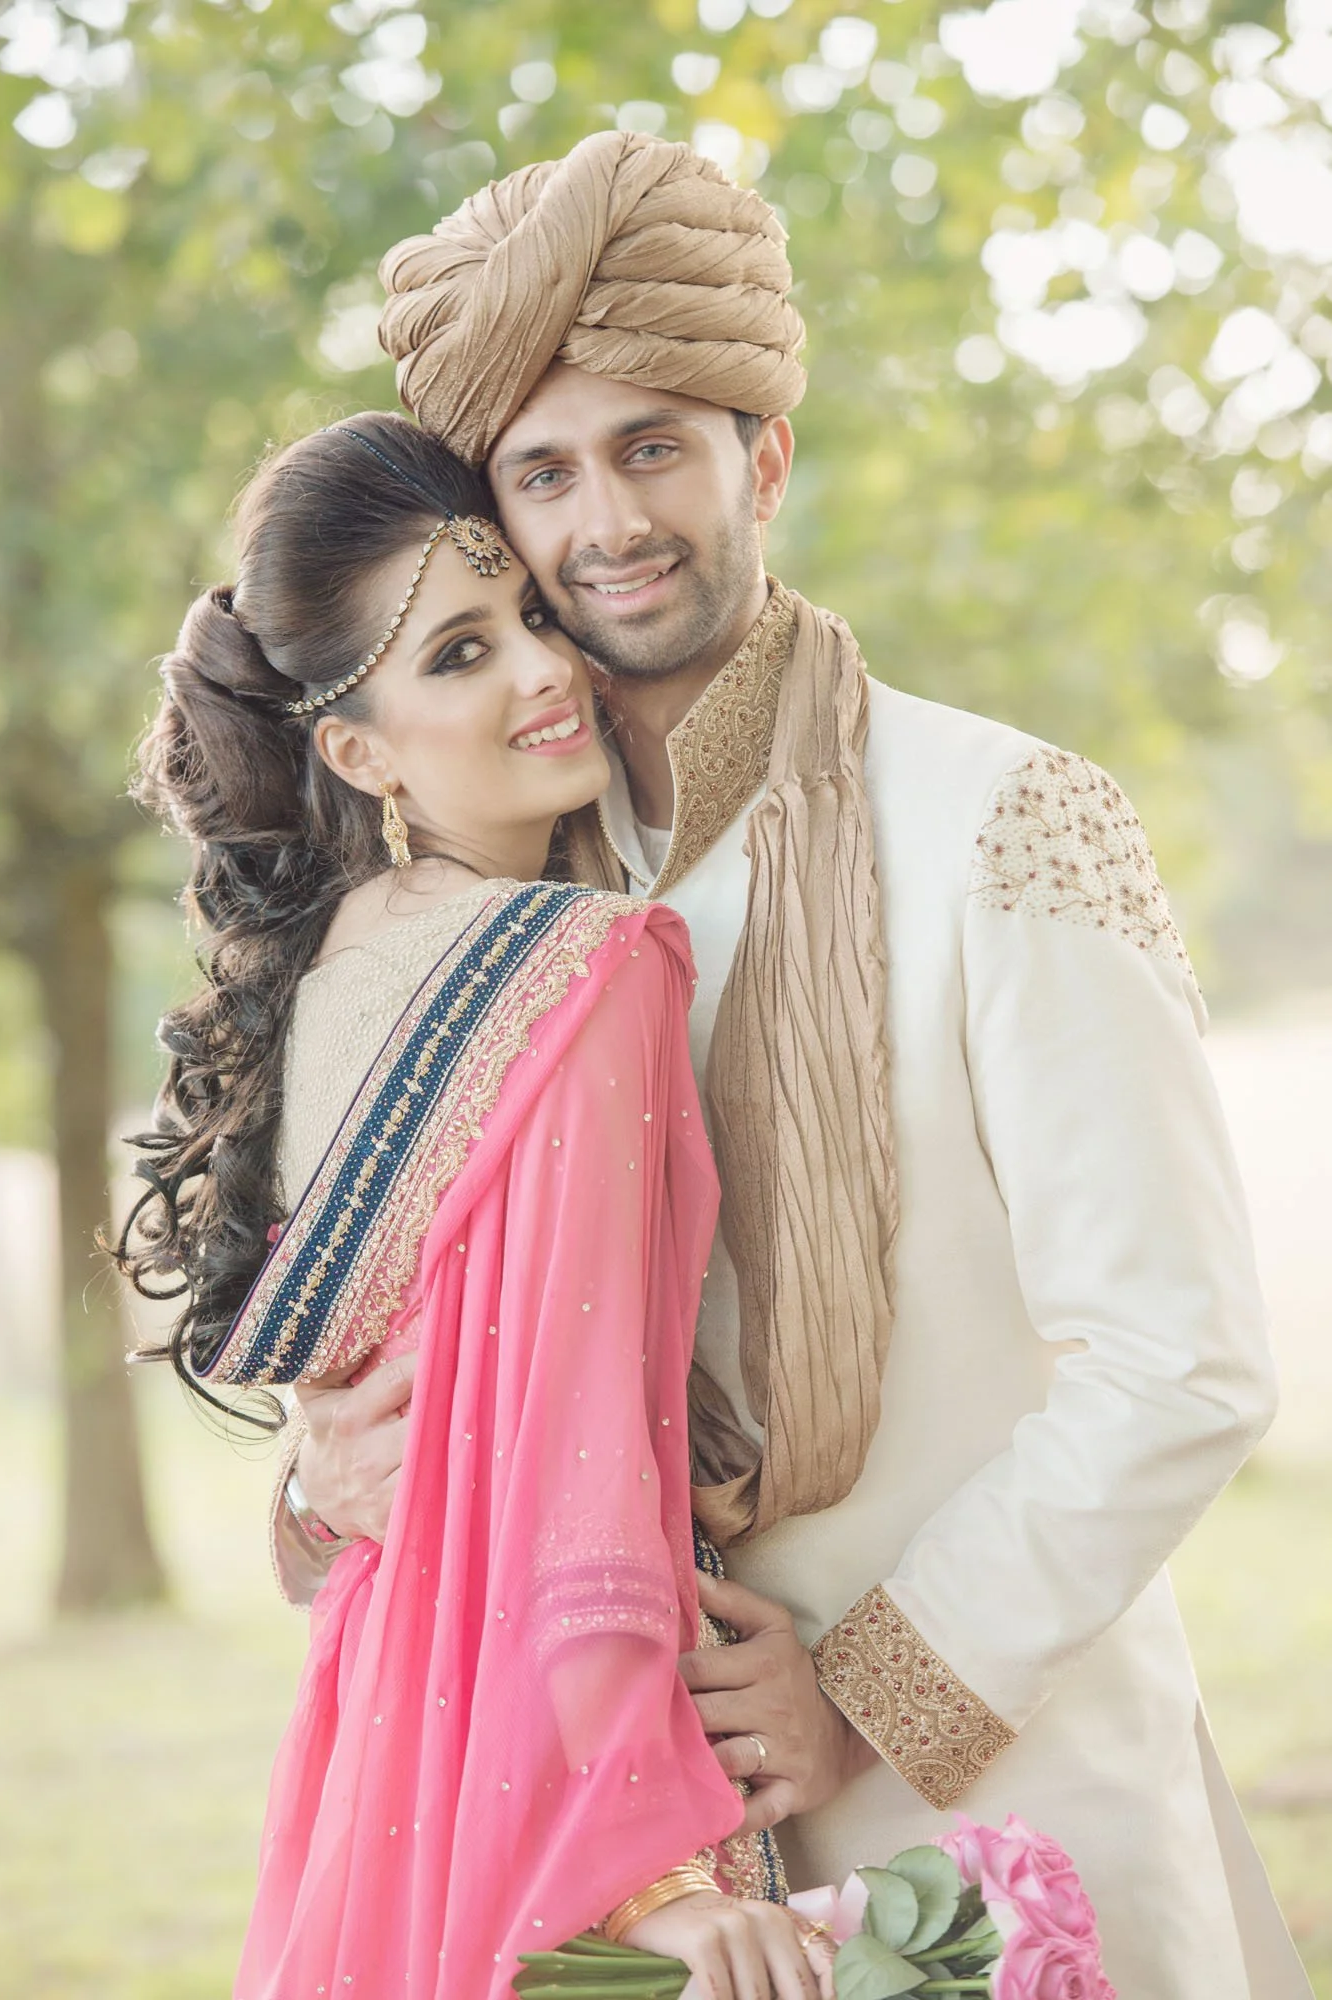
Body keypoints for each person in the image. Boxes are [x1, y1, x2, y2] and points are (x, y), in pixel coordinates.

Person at [283, 134, 1312, 1998]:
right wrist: (325, 1484)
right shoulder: (517, 893)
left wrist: (868, 1688)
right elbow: (455, 1361)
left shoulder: (1003, 819)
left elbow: (1182, 1359)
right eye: (546, 471)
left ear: (763, 456)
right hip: (635, 1859)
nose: (608, 519)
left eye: (656, 445)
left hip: (999, 1811)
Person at [117, 412, 835, 2000]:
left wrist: (317, 1501)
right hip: (549, 1754)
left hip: (384, 1715)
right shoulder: (582, 966)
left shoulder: (329, 977)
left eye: (523, 612)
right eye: (458, 654)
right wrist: (639, 1860)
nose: (540, 669)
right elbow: (572, 1453)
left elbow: (392, 1446)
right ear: (357, 750)